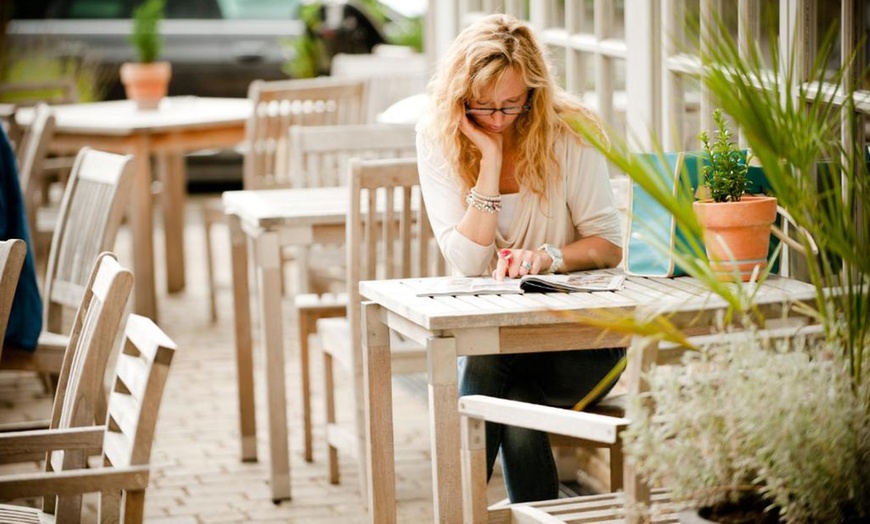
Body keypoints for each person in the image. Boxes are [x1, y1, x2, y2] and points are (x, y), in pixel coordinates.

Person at [415, 14, 625, 503]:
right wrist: (488, 162)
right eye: (482, 106)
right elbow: (468, 261)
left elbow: (607, 246)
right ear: (459, 98)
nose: (497, 118)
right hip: (504, 344)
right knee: (513, 400)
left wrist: (548, 257)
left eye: (512, 104)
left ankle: (455, 509)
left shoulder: (569, 132)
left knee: (490, 376)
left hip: (583, 344)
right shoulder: (438, 137)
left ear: (534, 91)